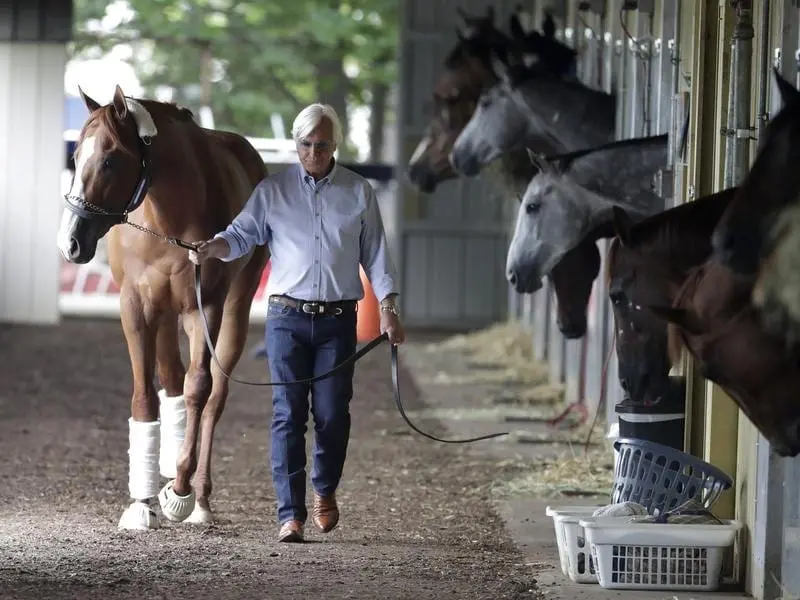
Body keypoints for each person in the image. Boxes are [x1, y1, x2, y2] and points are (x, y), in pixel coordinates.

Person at [188, 103, 405, 543]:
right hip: (286, 319)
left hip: (337, 321)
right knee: (287, 416)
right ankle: (290, 514)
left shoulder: (358, 192)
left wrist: (388, 305)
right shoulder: (272, 191)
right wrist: (213, 247)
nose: (313, 152)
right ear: (296, 143)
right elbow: (242, 234)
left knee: (331, 414)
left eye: (322, 145)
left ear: (335, 145)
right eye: (306, 144)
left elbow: (377, 253)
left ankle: (324, 489)